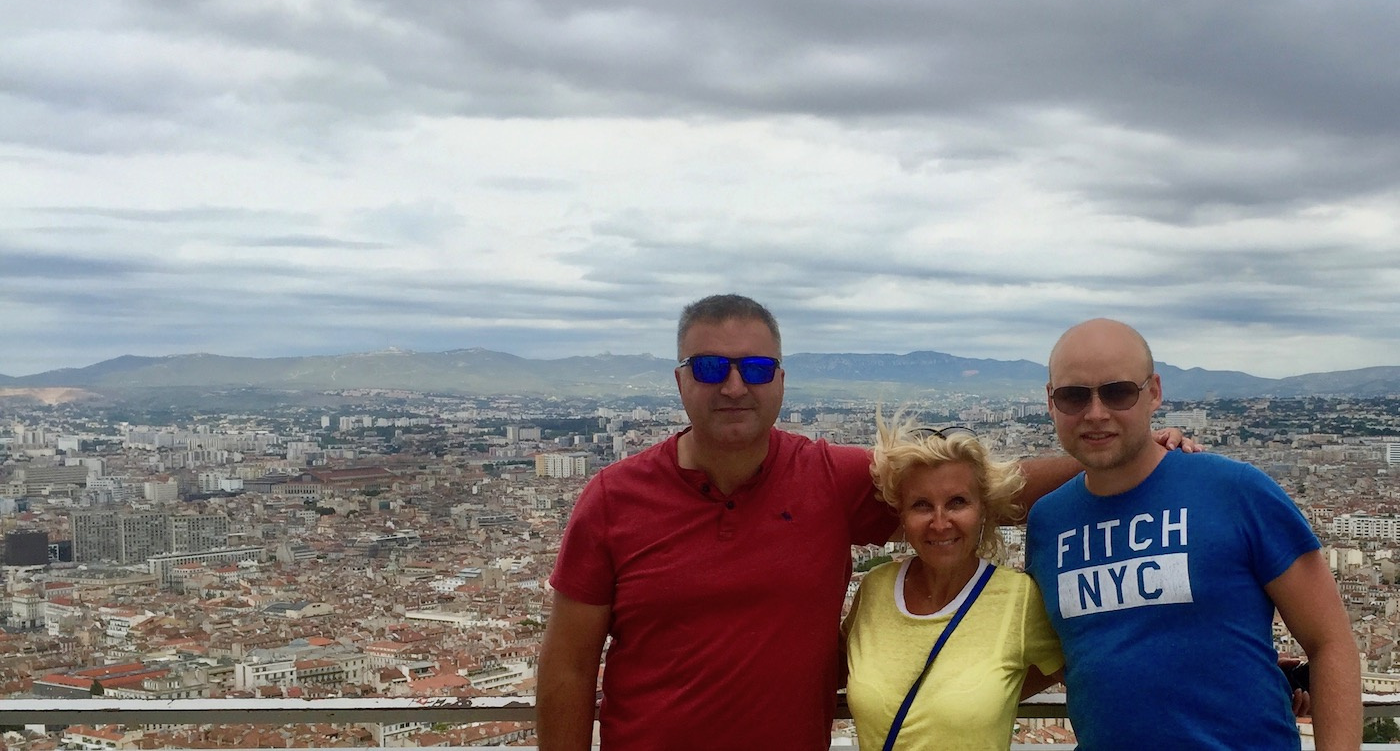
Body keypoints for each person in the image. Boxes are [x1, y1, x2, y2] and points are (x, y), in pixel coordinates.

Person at [537, 296, 1182, 751]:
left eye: (755, 368)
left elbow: (975, 490)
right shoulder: (612, 500)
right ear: (681, 380)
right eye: (710, 367)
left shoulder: (824, 478)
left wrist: (1130, 456)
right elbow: (567, 665)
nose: (734, 385)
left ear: (780, 380)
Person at [1025, 318, 1361, 750]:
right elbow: (1069, 655)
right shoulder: (1048, 522)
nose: (1096, 413)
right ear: (1051, 402)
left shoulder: (1237, 490)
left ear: (1154, 392)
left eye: (1118, 391)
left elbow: (1330, 641)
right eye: (1074, 396)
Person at [843, 414, 1063, 750]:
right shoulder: (874, 590)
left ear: (984, 509)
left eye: (957, 502)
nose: (940, 523)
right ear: (901, 515)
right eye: (921, 505)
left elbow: (1086, 680)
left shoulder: (1018, 600)